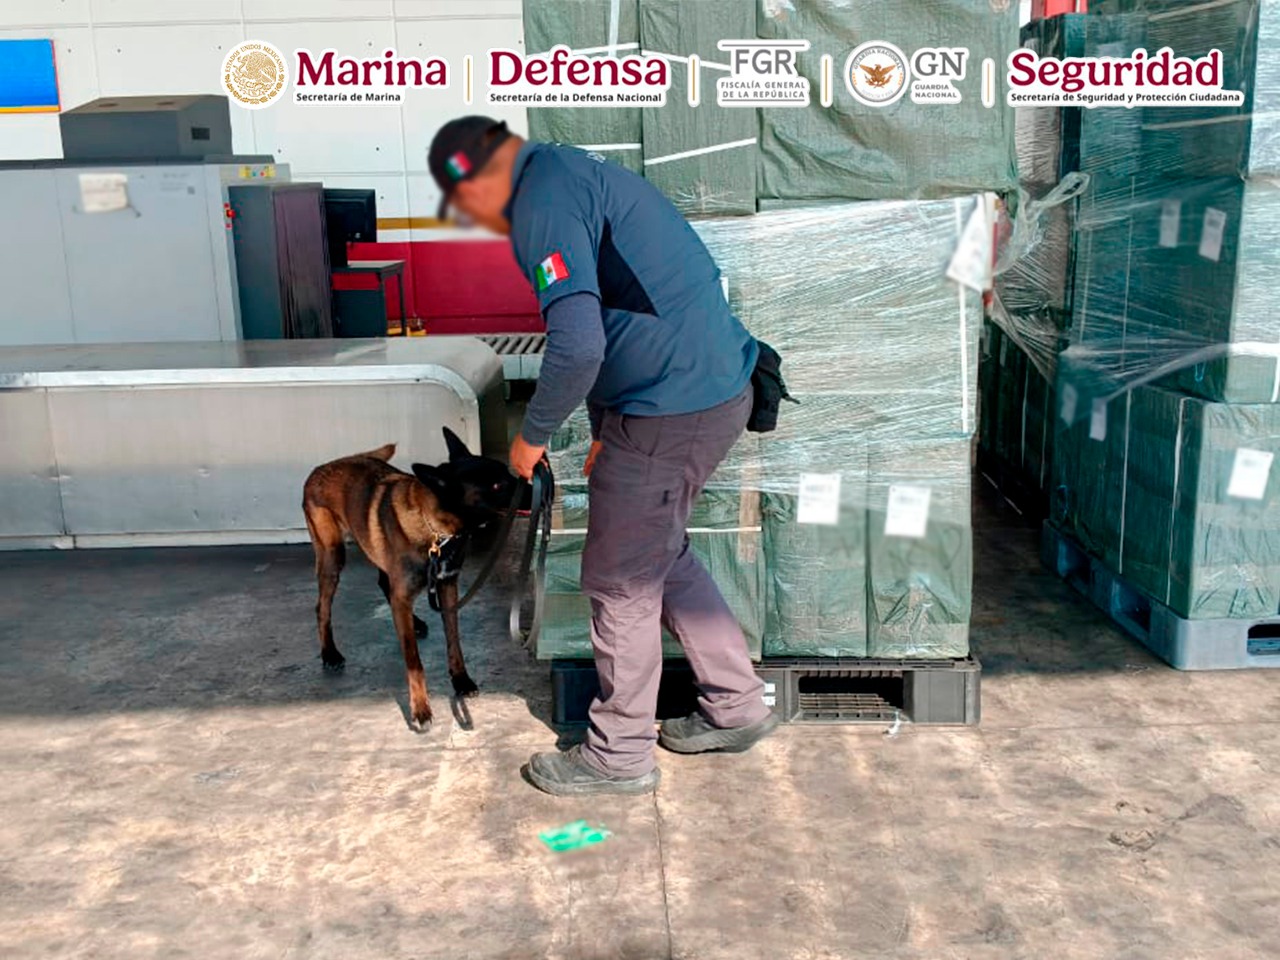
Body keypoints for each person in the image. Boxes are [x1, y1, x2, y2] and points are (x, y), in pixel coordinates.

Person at [428, 116, 779, 796]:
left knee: (621, 581)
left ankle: (618, 755)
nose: (472, 217)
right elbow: (622, 311)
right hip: (706, 393)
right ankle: (736, 704)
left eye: (464, 200)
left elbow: (581, 344)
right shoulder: (566, 174)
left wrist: (530, 436)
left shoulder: (541, 201)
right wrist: (598, 428)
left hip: (669, 409)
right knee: (658, 554)